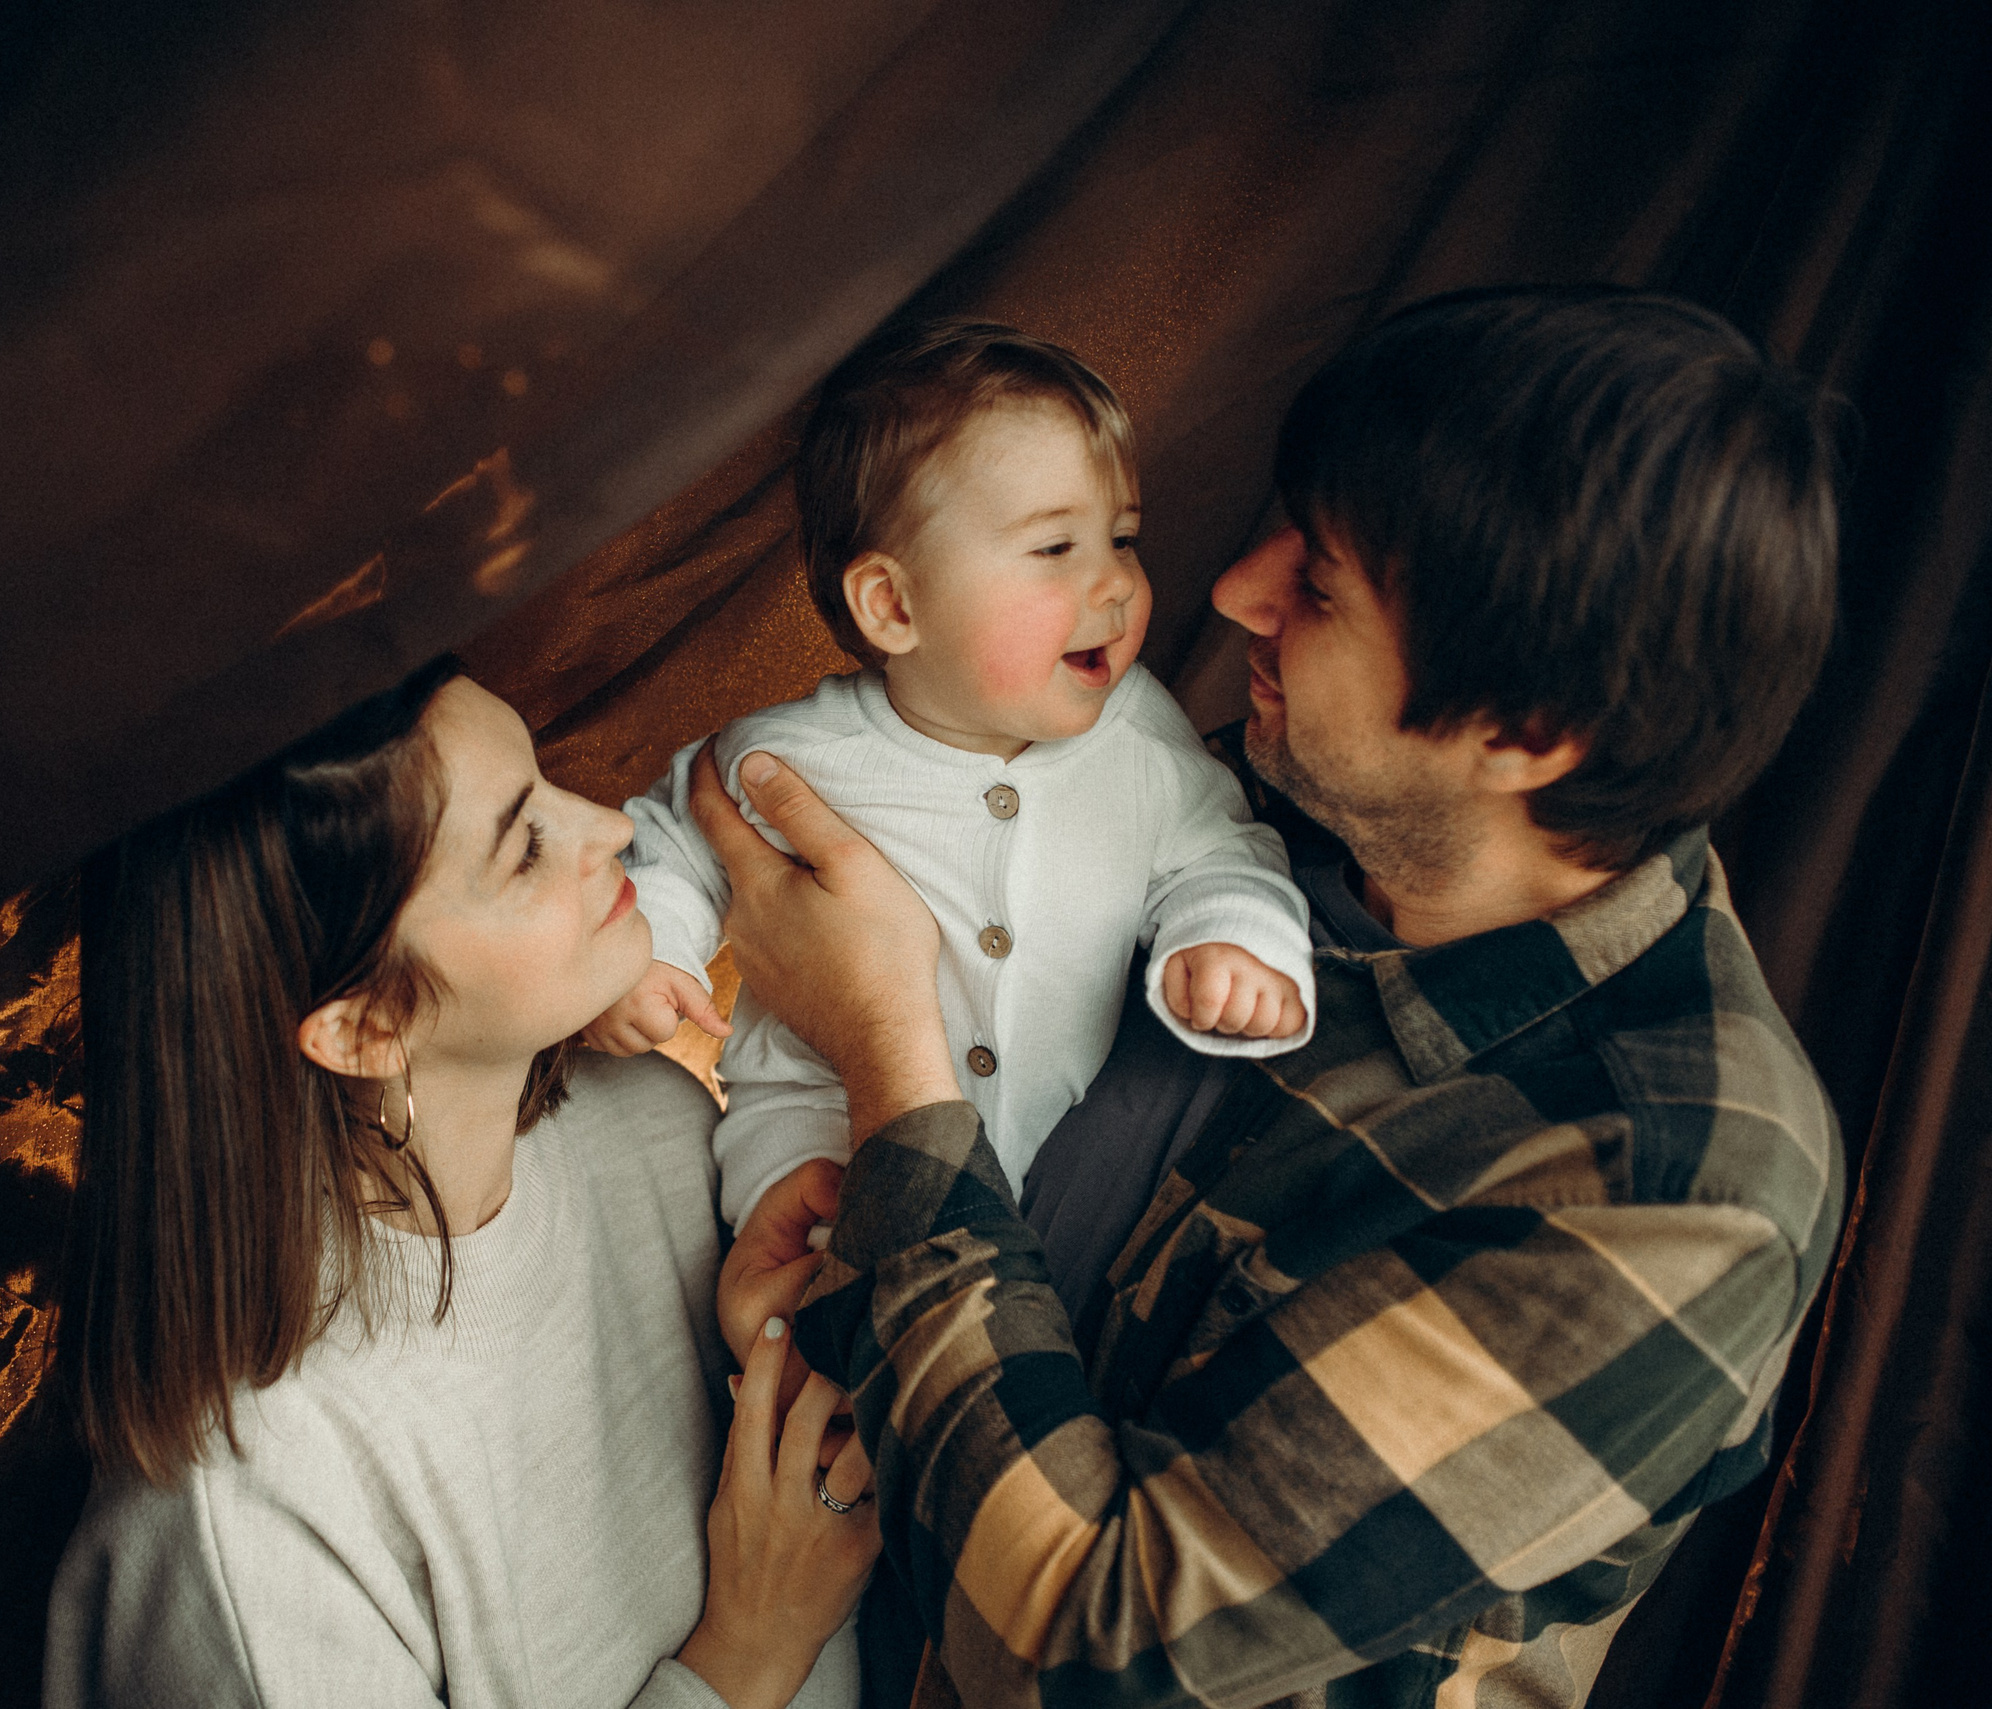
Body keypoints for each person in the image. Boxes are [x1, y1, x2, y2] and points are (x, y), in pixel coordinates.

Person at [697, 288, 1845, 1708]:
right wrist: (822, 1257)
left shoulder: (1668, 1186)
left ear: (1529, 736)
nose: (1235, 589)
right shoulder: (1257, 814)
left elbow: (1082, 1652)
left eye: (1321, 586)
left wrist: (886, 1056)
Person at [43, 657, 874, 1709]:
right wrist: (750, 1648)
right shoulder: (242, 1519)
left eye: (550, 780)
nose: (610, 827)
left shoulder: (652, 1125)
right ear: (365, 1026)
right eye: (526, 843)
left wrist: (770, 1341)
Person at [588, 321, 1315, 1235]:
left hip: (1063, 1156)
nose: (1118, 586)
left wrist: (1232, 936)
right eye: (1057, 550)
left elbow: (1223, 849)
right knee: (815, 1238)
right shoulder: (789, 754)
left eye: (1122, 538)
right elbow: (670, 844)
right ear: (894, 604)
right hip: (817, 1135)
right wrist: (652, 951)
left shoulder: (1142, 735)